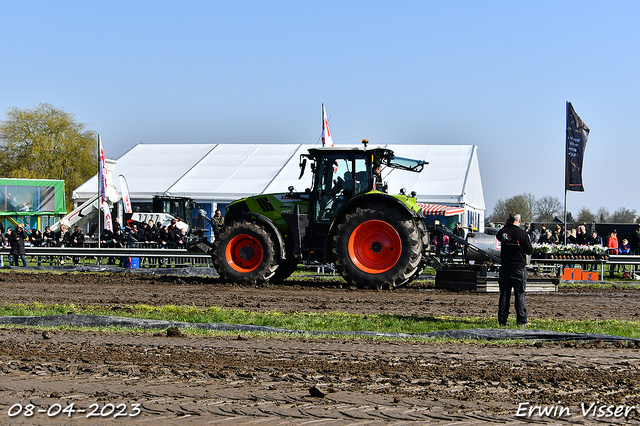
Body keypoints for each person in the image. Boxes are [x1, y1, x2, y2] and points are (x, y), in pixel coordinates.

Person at [496, 212, 533, 327]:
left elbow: (498, 236)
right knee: (519, 295)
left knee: (504, 295)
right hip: (518, 268)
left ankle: (502, 321)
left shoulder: (503, 232)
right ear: (519, 220)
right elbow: (529, 251)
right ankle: (521, 320)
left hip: (505, 268)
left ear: (509, 220)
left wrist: (506, 226)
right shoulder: (522, 234)